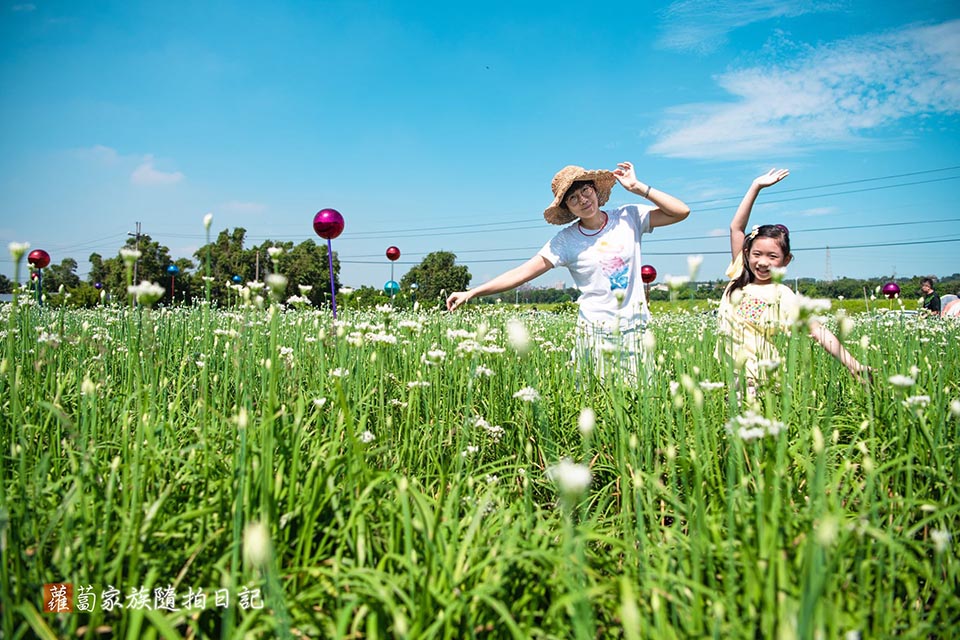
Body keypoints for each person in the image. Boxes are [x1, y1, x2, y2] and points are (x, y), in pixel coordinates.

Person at [446, 161, 690, 380]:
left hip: (635, 329)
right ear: (568, 209)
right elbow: (521, 273)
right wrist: (472, 292)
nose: (583, 200)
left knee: (639, 400)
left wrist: (638, 187)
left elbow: (680, 211)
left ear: (595, 191)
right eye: (573, 198)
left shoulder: (629, 217)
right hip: (593, 334)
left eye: (585, 191)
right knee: (595, 402)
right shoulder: (566, 241)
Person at [717, 168, 868, 392]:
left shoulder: (783, 294)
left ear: (786, 260)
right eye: (757, 254)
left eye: (773, 257)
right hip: (733, 374)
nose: (763, 262)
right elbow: (736, 228)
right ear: (747, 253)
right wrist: (755, 187)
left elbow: (818, 330)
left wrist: (853, 365)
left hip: (758, 378)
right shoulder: (740, 275)